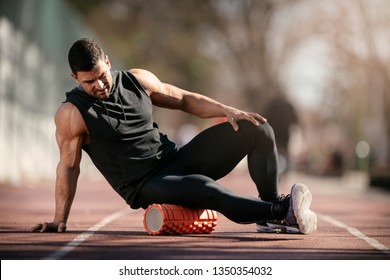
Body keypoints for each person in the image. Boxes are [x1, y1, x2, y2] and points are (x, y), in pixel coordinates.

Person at [30, 38, 317, 234]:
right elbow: (68, 166)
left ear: (107, 61)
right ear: (75, 79)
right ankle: (279, 211)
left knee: (257, 129)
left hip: (174, 159)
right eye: (89, 81)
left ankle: (268, 216)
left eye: (102, 75)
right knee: (204, 188)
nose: (99, 85)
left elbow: (183, 99)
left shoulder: (136, 80)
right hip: (146, 184)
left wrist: (226, 109)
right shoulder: (72, 114)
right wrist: (59, 219)